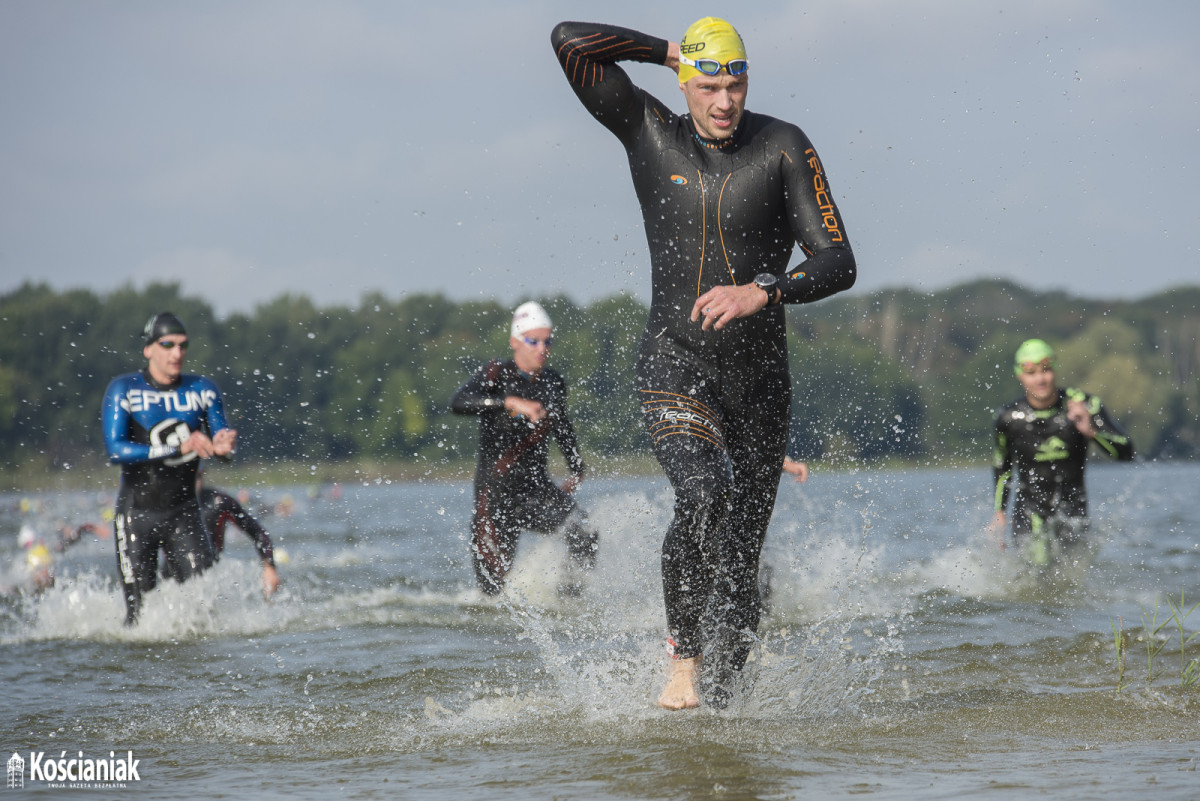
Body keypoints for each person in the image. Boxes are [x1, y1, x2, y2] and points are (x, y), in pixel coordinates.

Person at [552, 18, 856, 709]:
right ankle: (683, 662)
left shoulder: (783, 146)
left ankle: (725, 715)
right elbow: (568, 40)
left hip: (759, 384)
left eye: (737, 82)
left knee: (741, 561)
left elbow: (839, 260)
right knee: (703, 493)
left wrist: (764, 289)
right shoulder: (648, 131)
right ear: (686, 81)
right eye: (710, 83)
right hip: (674, 361)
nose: (725, 100)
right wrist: (664, 52)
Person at [450, 301, 598, 597]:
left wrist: (577, 468)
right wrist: (508, 403)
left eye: (547, 341)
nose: (542, 348)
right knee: (491, 591)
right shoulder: (495, 374)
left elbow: (562, 426)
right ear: (515, 342)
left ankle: (568, 603)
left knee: (585, 532)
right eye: (534, 341)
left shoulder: (554, 382)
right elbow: (458, 402)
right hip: (495, 495)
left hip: (535, 490)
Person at [101, 312, 237, 624]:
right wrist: (179, 447)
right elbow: (116, 450)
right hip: (136, 514)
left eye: (182, 345)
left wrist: (224, 447)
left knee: (204, 612)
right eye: (168, 344)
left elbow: (221, 443)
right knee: (139, 615)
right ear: (149, 349)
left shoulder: (203, 389)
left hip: (184, 512)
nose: (177, 353)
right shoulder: (124, 389)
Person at [990, 339, 1134, 564]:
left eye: (1046, 370)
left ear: (1055, 369)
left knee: (1068, 581)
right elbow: (1002, 467)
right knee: (1035, 575)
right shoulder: (1008, 417)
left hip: (1072, 511)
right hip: (1029, 511)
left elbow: (1126, 453)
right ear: (1020, 375)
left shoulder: (1084, 405)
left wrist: (1091, 431)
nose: (1040, 379)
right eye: (1032, 373)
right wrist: (999, 512)